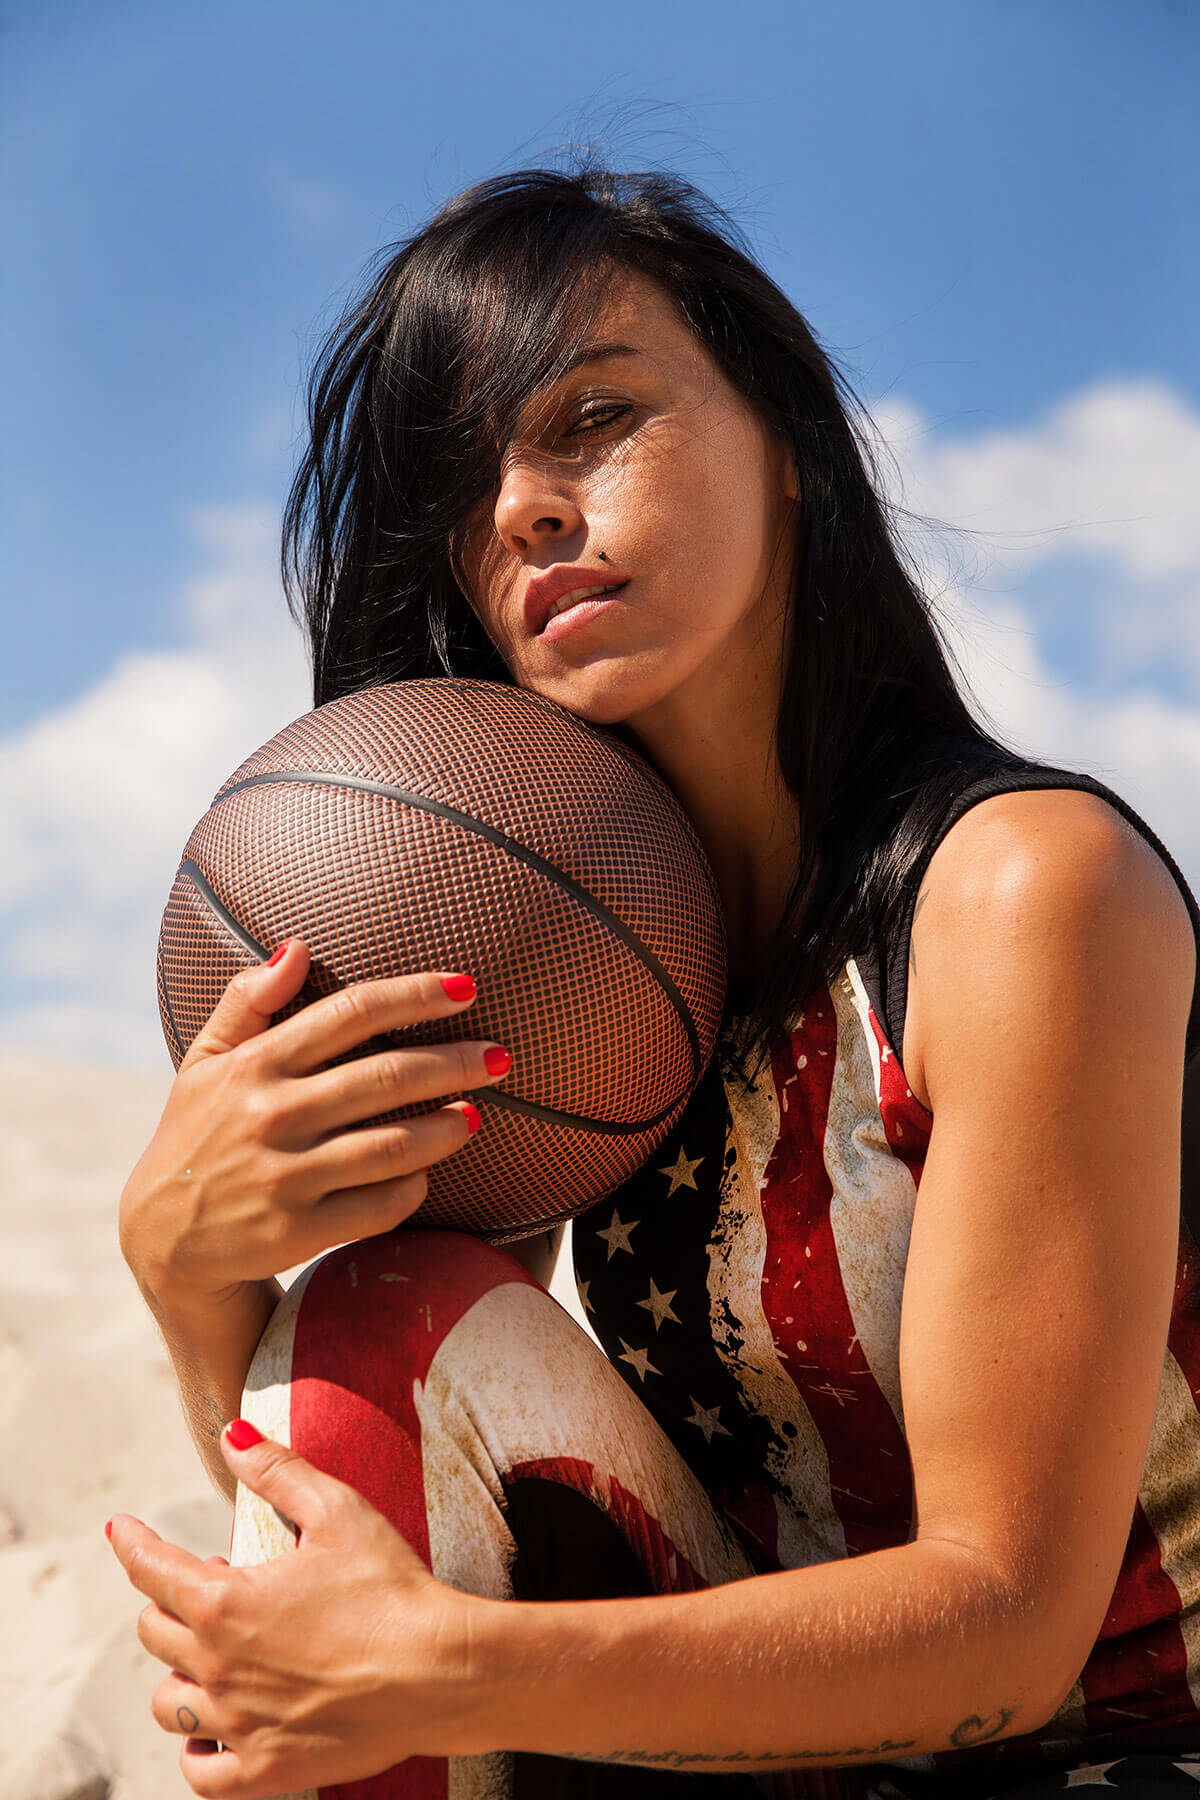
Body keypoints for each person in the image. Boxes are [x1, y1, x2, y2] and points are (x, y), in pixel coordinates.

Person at [109, 165, 1200, 1800]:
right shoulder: (568, 962)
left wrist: (452, 1669)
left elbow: (1013, 1624)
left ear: (796, 455)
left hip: (1116, 1754)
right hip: (750, 1736)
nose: (523, 511)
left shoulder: (1026, 887)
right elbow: (384, 1472)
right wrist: (192, 1285)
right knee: (386, 1306)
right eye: (464, 490)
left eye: (595, 416)